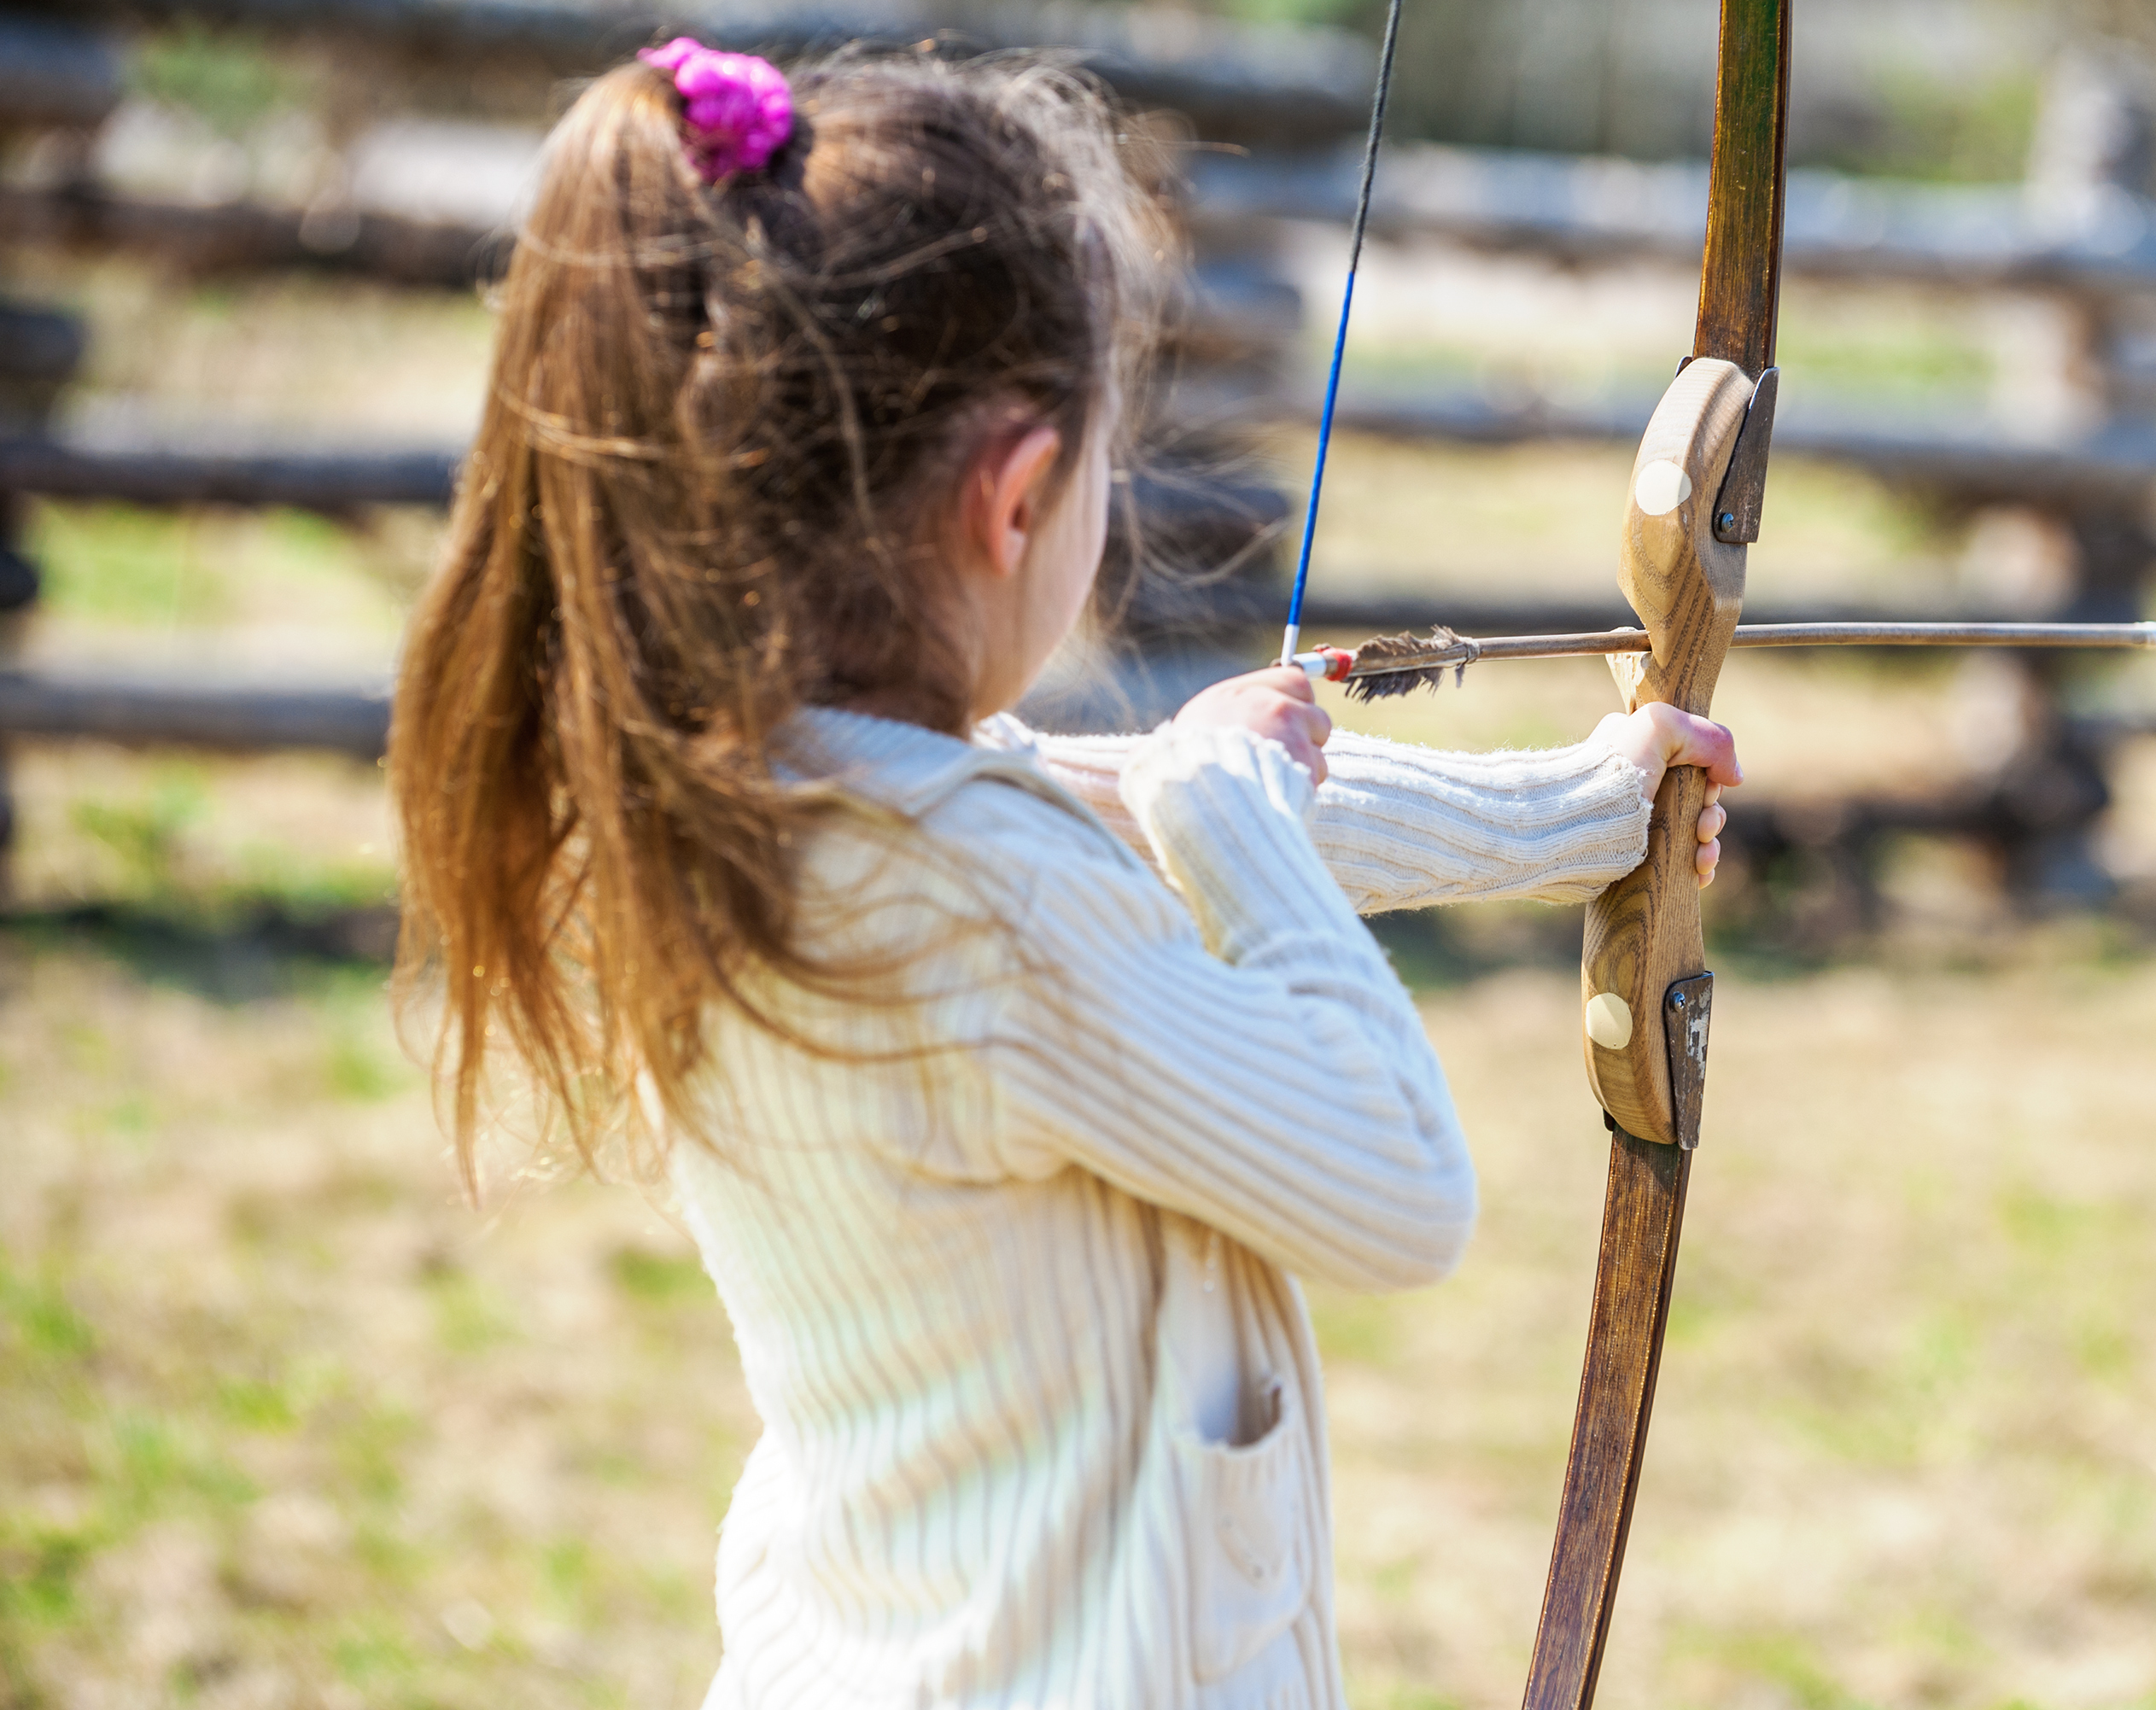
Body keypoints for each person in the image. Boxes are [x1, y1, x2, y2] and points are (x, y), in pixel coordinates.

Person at [389, 39, 1741, 1710]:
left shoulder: (758, 807)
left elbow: (1161, 823)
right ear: (1016, 499)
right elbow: (1398, 1185)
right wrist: (1230, 813)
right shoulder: (981, 910)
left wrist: (1590, 812)